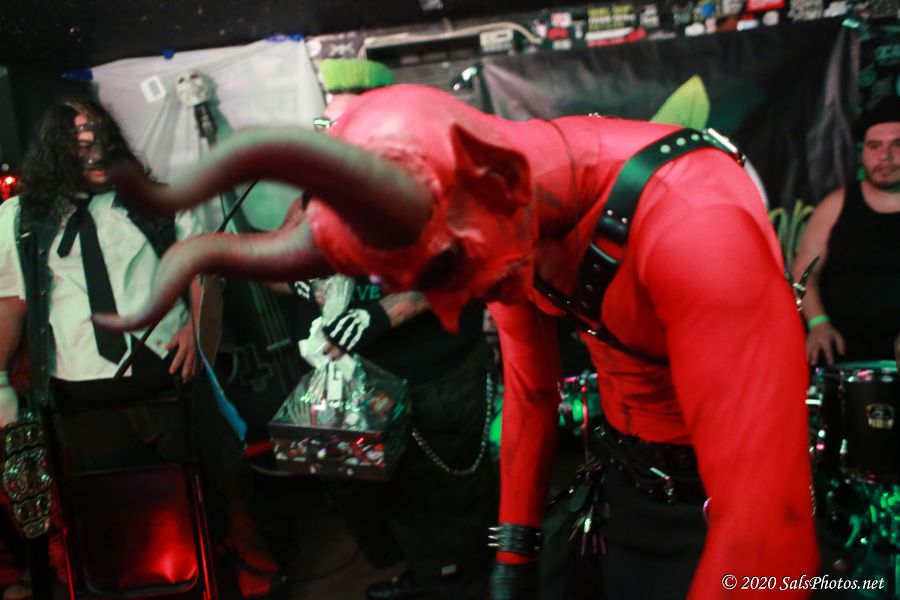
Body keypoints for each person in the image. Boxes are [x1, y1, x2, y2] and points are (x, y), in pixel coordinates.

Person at [93, 83, 820, 599]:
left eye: (446, 273)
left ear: (500, 182)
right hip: (627, 488)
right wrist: (512, 558)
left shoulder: (696, 227)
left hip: (714, 514)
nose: (447, 313)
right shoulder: (503, 213)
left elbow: (771, 545)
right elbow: (530, 395)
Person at [0, 97, 280, 597]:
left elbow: (203, 273)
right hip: (83, 396)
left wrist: (196, 330)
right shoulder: (18, 219)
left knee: (223, 481)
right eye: (79, 146)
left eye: (101, 141)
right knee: (121, 510)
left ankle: (247, 570)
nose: (95, 155)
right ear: (55, 153)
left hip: (170, 377)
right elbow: (12, 304)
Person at [285, 58, 498, 600]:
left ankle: (462, 581)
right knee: (381, 493)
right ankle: (423, 575)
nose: (331, 132)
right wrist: (305, 281)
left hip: (436, 377)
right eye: (326, 121)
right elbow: (283, 259)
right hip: (366, 382)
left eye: (344, 120)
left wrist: (380, 315)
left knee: (448, 500)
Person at [793, 95, 900, 366]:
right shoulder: (835, 205)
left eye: (897, 144)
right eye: (874, 146)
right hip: (844, 360)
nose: (885, 156)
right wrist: (818, 322)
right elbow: (804, 273)